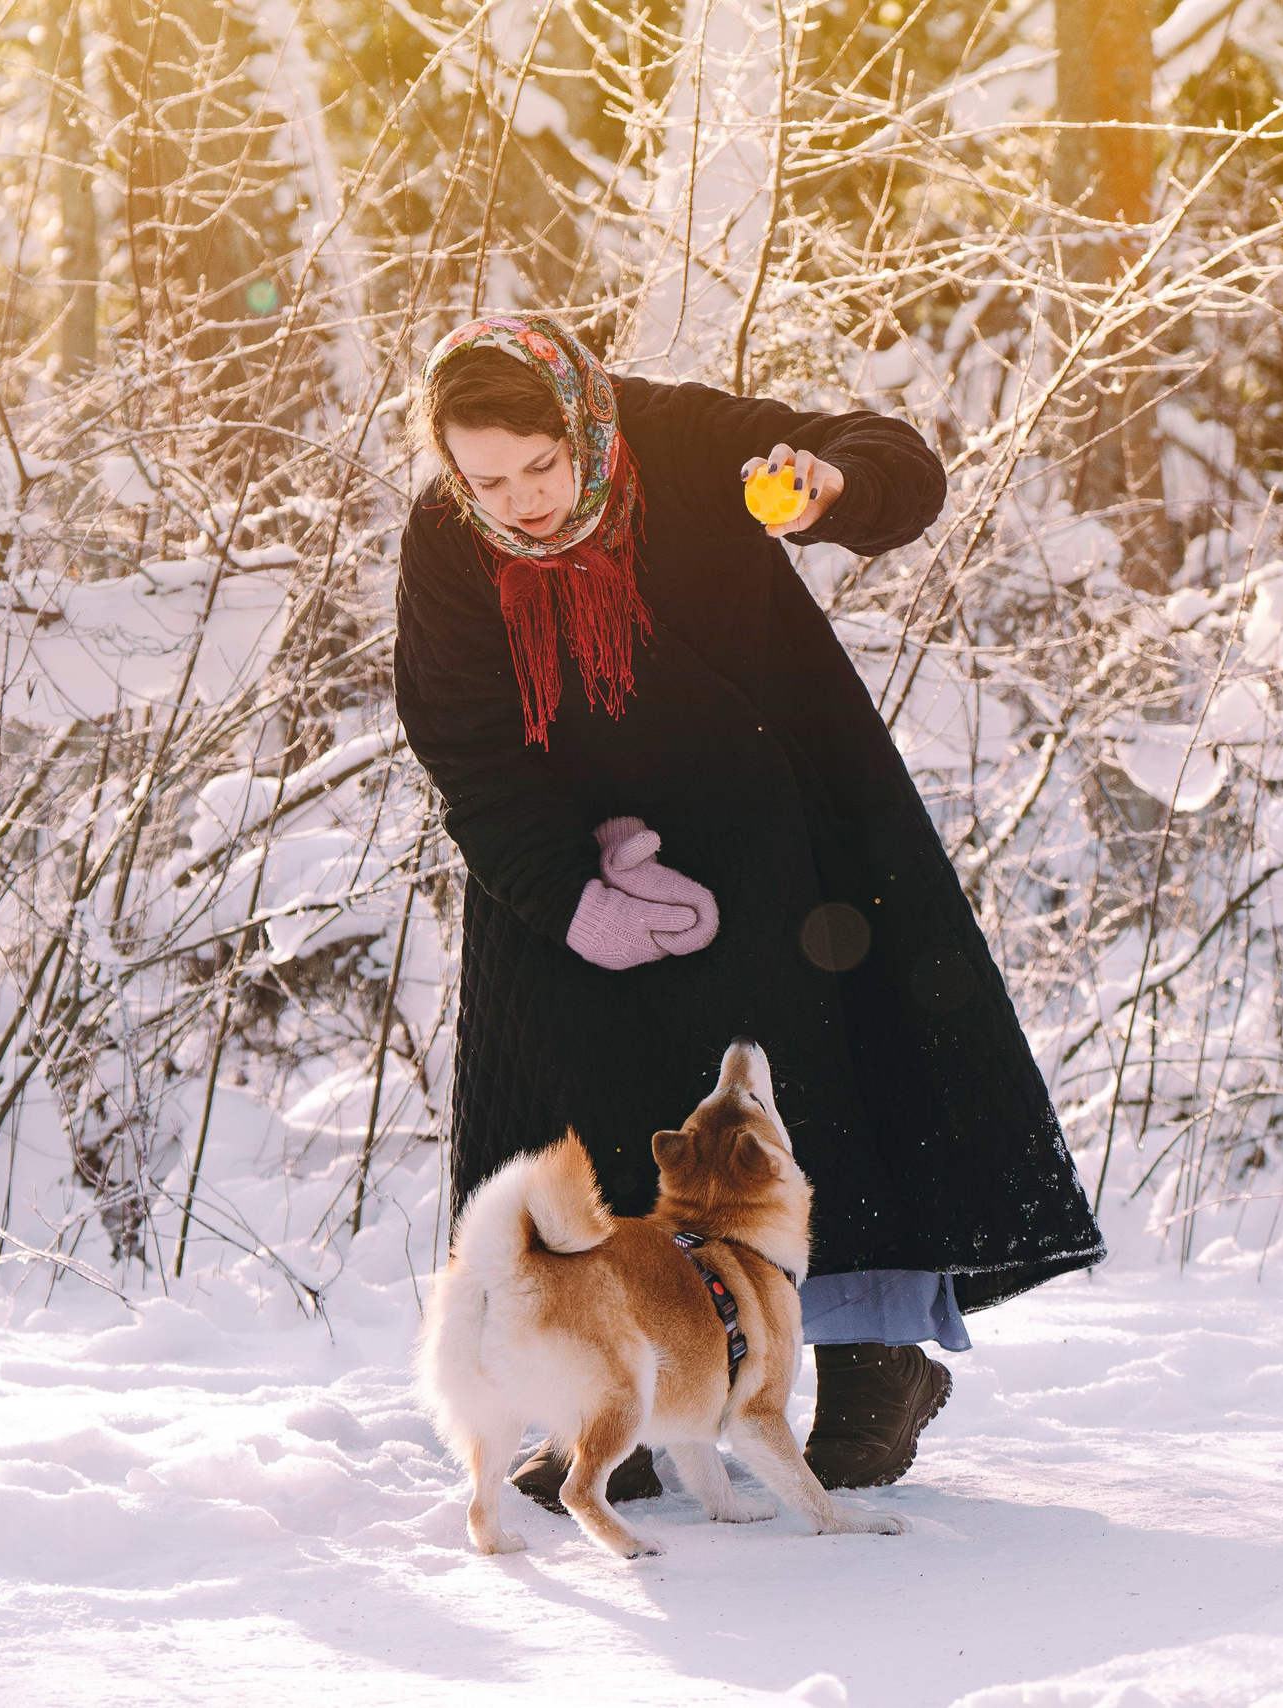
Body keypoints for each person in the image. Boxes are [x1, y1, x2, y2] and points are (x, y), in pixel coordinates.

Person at [394, 313, 1104, 1507]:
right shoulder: (446, 540)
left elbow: (892, 464)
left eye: (540, 467)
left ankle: (874, 1361)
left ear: (582, 422)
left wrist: (831, 484)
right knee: (589, 1120)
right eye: (487, 479)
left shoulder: (675, 439)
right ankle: (602, 1394)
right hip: (569, 857)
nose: (517, 501)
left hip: (779, 824)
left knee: (810, 1083)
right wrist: (575, 893)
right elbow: (461, 737)